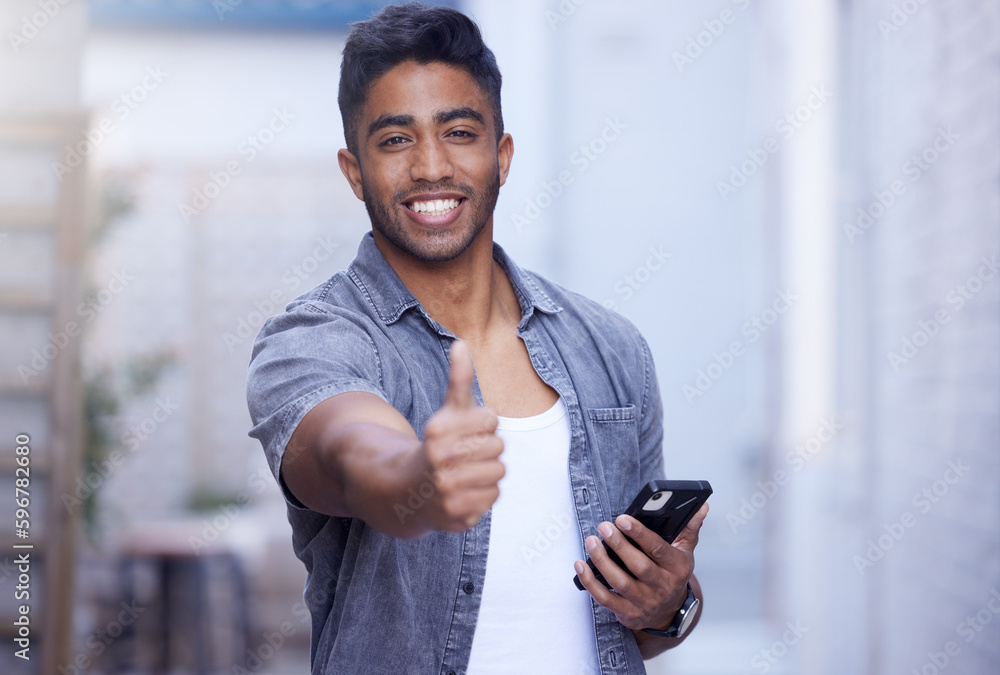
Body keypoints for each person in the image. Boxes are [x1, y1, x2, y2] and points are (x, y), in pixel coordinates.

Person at [246, 3, 707, 673]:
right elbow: (350, 448)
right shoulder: (312, 339)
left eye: (459, 131)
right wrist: (419, 482)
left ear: (502, 154)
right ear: (354, 171)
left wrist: (666, 605)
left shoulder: (614, 349)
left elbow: (642, 630)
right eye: (396, 139)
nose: (431, 166)